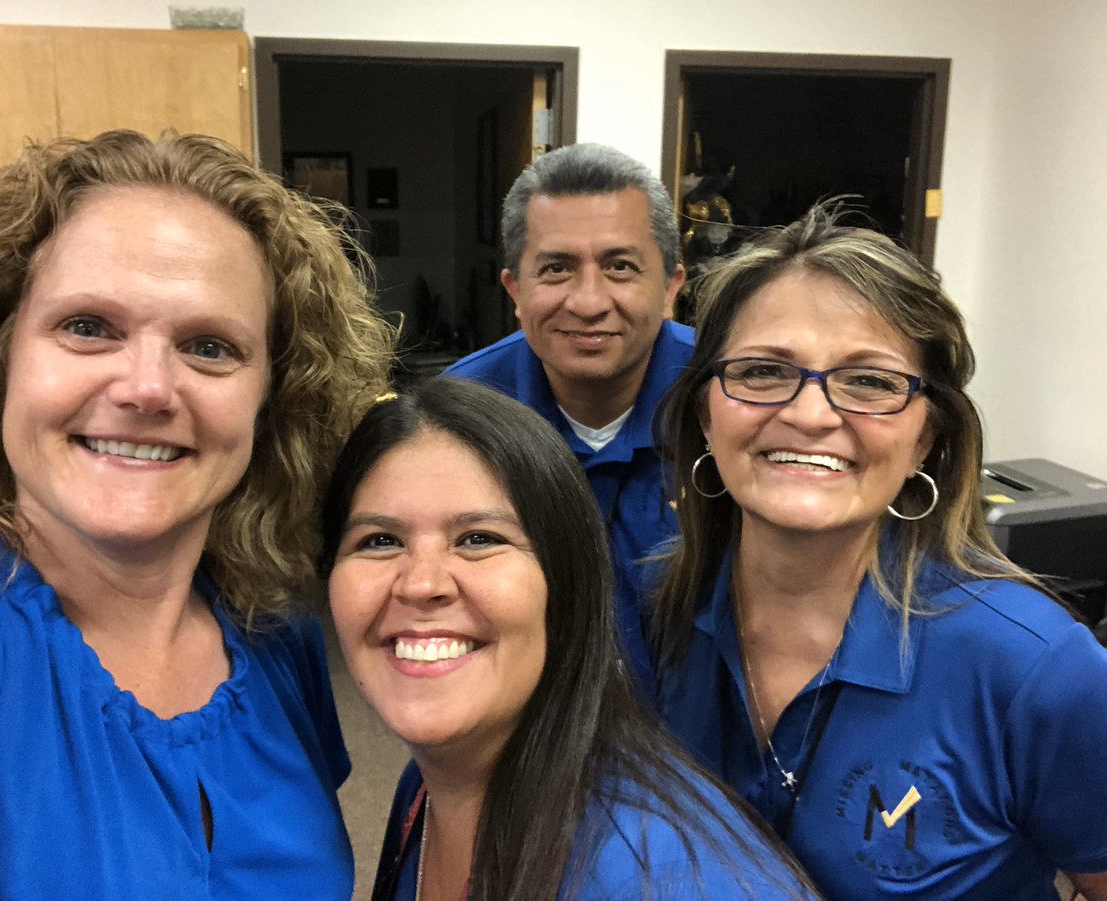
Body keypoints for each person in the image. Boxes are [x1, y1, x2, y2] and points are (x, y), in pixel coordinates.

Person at [0, 130, 396, 898]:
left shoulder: (277, 627)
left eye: (209, 345)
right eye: (89, 328)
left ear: (273, 396)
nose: (146, 388)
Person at [650, 202, 1107, 899]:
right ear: (706, 412)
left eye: (870, 381)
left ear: (925, 438)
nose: (809, 414)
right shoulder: (648, 616)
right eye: (765, 370)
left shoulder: (1038, 669)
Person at [320, 378, 817, 901]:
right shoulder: (427, 789)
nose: (421, 583)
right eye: (379, 541)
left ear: (566, 584)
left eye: (479, 539)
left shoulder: (662, 879)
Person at [446, 143, 690, 697]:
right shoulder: (463, 411)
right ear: (515, 289)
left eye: (620, 267)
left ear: (672, 287)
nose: (587, 302)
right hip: (521, 727)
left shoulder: (730, 401)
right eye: (556, 269)